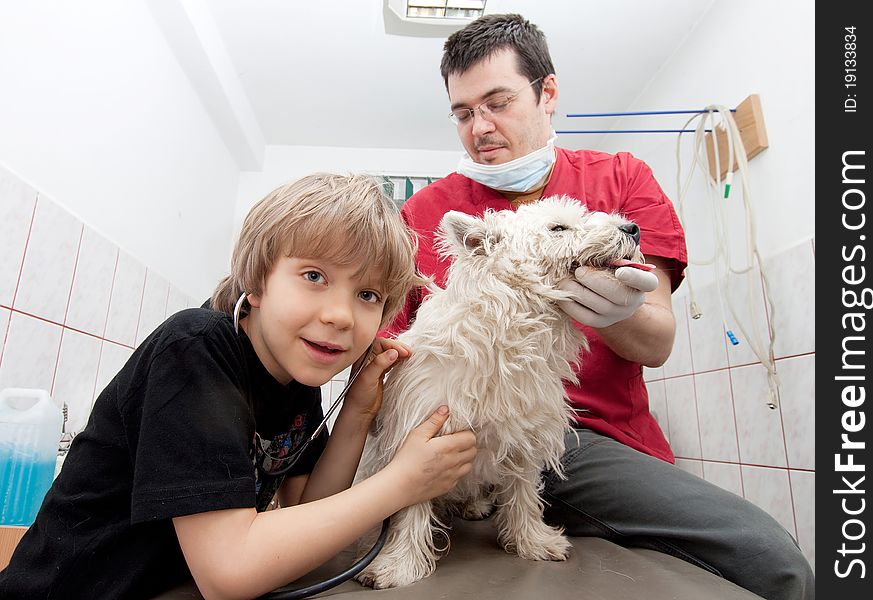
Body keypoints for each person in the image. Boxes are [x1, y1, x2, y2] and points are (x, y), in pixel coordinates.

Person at [383, 14, 814, 600]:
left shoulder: (620, 180)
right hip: (454, 429)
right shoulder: (428, 214)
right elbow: (389, 348)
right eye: (463, 112)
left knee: (772, 560)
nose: (480, 127)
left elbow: (658, 341)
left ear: (547, 92)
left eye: (498, 102)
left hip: (587, 437)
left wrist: (614, 314)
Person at [0, 173, 478, 600]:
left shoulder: (293, 376)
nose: (340, 315)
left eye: (367, 295)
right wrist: (401, 483)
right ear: (257, 281)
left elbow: (307, 509)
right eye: (314, 276)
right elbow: (229, 571)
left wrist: (356, 412)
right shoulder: (196, 349)